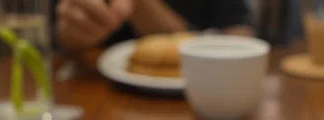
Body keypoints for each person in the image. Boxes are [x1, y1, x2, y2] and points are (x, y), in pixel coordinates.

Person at [55, 0, 255, 50]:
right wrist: (69, 34)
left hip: (206, 102)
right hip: (94, 93)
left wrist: (146, 8)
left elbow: (242, 39)